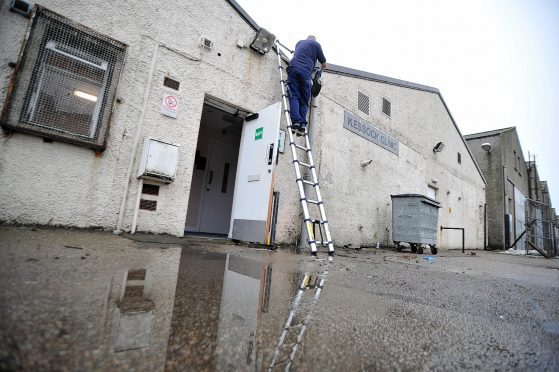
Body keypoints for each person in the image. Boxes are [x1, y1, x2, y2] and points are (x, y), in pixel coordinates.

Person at [287, 35, 327, 134]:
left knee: (294, 96)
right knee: (304, 100)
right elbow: (324, 63)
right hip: (306, 73)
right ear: (314, 40)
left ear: (307, 39)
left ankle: (296, 122)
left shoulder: (299, 42)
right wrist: (319, 73)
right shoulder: (316, 45)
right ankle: (303, 124)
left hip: (294, 68)